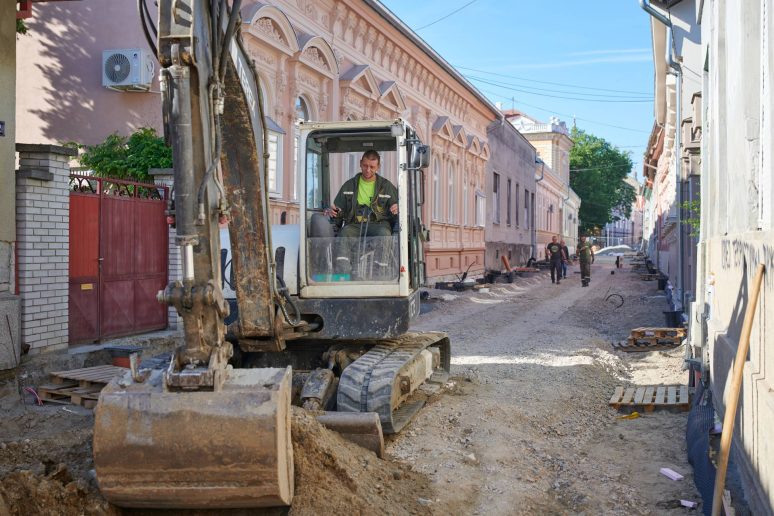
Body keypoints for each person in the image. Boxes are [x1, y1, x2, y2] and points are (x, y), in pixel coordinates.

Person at [324, 150, 398, 275]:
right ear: (360, 164)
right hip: (356, 224)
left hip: (378, 224)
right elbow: (338, 210)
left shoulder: (387, 186)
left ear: (378, 167)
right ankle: (344, 274)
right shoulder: (349, 185)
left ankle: (380, 274)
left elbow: (397, 209)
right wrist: (334, 212)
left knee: (384, 234)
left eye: (372, 167)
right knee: (345, 233)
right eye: (365, 165)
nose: (368, 170)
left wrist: (397, 208)